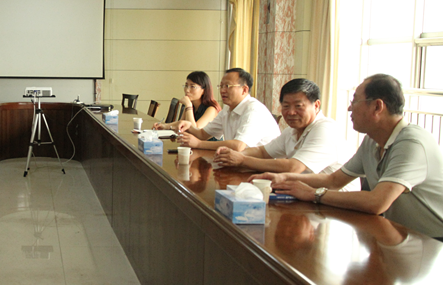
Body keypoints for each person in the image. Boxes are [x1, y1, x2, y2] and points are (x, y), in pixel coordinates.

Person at [253, 74, 443, 240]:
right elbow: (334, 180)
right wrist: (283, 178)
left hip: (432, 240)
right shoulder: (372, 140)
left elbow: (377, 202)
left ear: (377, 106)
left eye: (355, 101)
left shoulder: (411, 143)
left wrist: (314, 194)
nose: (349, 108)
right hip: (399, 233)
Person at [213, 78, 342, 174]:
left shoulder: (325, 129)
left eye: (298, 106)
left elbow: (293, 167)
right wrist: (232, 155)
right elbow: (263, 152)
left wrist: (242, 160)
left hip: (332, 199)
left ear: (316, 105)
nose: (291, 112)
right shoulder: (291, 131)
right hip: (303, 193)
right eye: (286, 106)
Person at [175, 68, 280, 151]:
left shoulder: (254, 110)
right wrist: (189, 127)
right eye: (221, 86)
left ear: (244, 89)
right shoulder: (227, 109)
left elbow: (238, 146)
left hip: (264, 168)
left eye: (227, 86)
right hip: (241, 162)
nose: (222, 90)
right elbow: (203, 134)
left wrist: (199, 144)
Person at [154, 71, 220, 131]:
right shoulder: (191, 104)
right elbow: (181, 123)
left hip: (207, 141)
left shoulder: (211, 109)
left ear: (203, 90)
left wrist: (188, 106)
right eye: (186, 85)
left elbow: (195, 130)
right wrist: (164, 126)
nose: (187, 90)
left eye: (192, 86)